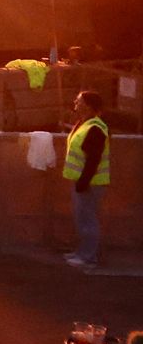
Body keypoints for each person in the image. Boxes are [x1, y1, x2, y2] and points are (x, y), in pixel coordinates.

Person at [62, 90, 109, 269]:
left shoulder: (94, 128)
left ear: (88, 106)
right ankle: (82, 252)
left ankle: (88, 257)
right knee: (83, 218)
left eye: (79, 100)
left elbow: (93, 159)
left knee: (87, 220)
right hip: (84, 182)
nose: (75, 102)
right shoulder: (85, 124)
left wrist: (83, 182)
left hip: (90, 183)